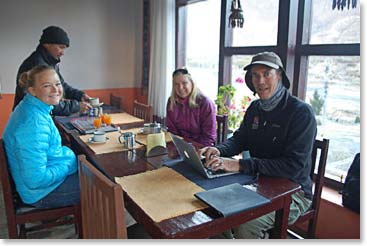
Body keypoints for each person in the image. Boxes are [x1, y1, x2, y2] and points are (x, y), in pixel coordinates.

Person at [199, 52, 317, 239]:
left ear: (279, 75)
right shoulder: (255, 108)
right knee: (213, 207)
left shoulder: (301, 113)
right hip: (257, 183)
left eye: (267, 73)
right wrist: (219, 149)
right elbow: (239, 139)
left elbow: (293, 165)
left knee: (246, 224)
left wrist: (240, 165)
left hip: (294, 192)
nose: (260, 80)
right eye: (255, 75)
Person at [3, 65, 80, 209]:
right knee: (103, 187)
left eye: (57, 84)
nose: (55, 90)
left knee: (93, 174)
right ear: (32, 91)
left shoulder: (32, 107)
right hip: (40, 193)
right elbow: (35, 179)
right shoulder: (34, 124)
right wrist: (68, 163)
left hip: (41, 183)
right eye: (46, 86)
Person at [13, 25, 92, 116]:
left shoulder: (49, 62)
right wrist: (76, 107)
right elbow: (47, 99)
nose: (63, 53)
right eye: (61, 47)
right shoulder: (37, 65)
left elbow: (61, 85)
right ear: (47, 44)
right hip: (31, 117)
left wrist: (79, 95)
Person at [166, 68, 217, 146]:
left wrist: (193, 148)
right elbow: (172, 131)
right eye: (176, 84)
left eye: (184, 83)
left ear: (192, 84)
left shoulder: (205, 103)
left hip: (201, 147)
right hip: (180, 146)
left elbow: (208, 137)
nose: (180, 87)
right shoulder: (171, 102)